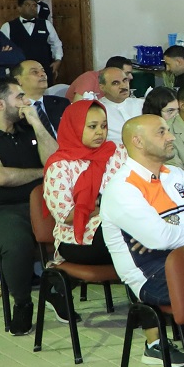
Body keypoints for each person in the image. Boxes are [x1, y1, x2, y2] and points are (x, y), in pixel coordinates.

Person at [97, 113, 184, 363]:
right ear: (138, 142)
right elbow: (158, 239)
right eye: (161, 132)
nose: (171, 136)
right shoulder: (122, 187)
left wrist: (174, 221)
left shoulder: (174, 174)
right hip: (150, 273)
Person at [0, 76, 64, 333]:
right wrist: (41, 172)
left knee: (81, 233)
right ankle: (22, 303)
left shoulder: (30, 131)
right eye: (19, 97)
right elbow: (1, 177)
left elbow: (55, 164)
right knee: (17, 242)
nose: (26, 101)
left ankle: (52, 291)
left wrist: (38, 124)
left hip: (45, 205)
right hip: (4, 210)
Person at [42, 99, 125, 277]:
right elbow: (66, 216)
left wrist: (99, 203)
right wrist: (110, 206)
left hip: (120, 223)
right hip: (77, 238)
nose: (100, 132)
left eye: (103, 126)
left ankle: (148, 296)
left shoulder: (117, 152)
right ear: (74, 126)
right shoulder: (59, 165)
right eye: (92, 126)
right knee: (131, 235)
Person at [2, 0, 63, 82]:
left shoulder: (46, 24)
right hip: (19, 73)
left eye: (34, 5)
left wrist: (58, 60)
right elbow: (3, 51)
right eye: (27, 5)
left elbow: (56, 43)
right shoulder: (8, 26)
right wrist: (7, 70)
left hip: (43, 70)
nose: (32, 8)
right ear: (19, 8)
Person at [14, 59, 69, 134]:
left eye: (43, 71)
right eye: (35, 72)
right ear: (18, 80)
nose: (42, 74)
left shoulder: (62, 103)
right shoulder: (15, 111)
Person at [94, 64, 144, 144]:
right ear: (102, 87)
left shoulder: (141, 104)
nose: (123, 86)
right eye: (115, 83)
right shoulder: (97, 110)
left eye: (125, 80)